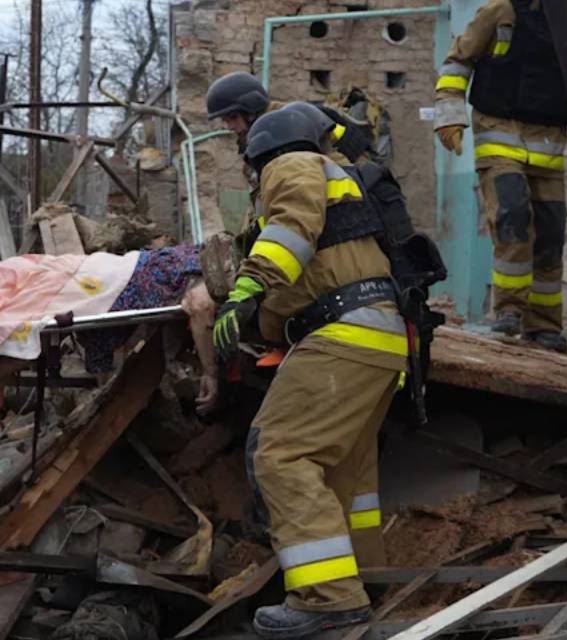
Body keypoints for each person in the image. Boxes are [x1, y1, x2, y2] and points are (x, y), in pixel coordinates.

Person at [213, 109, 407, 639]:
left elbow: (291, 229)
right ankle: (364, 577)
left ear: (262, 152)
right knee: (348, 473)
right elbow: (310, 268)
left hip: (343, 335)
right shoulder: (336, 172)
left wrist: (248, 288)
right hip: (380, 336)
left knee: (282, 454)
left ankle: (326, 597)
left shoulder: (294, 163)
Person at [433, 0, 567, 352]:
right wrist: (449, 116)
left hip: (548, 143)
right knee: (513, 215)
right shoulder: (500, 11)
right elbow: (459, 61)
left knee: (550, 235)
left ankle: (545, 326)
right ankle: (509, 312)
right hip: (499, 131)